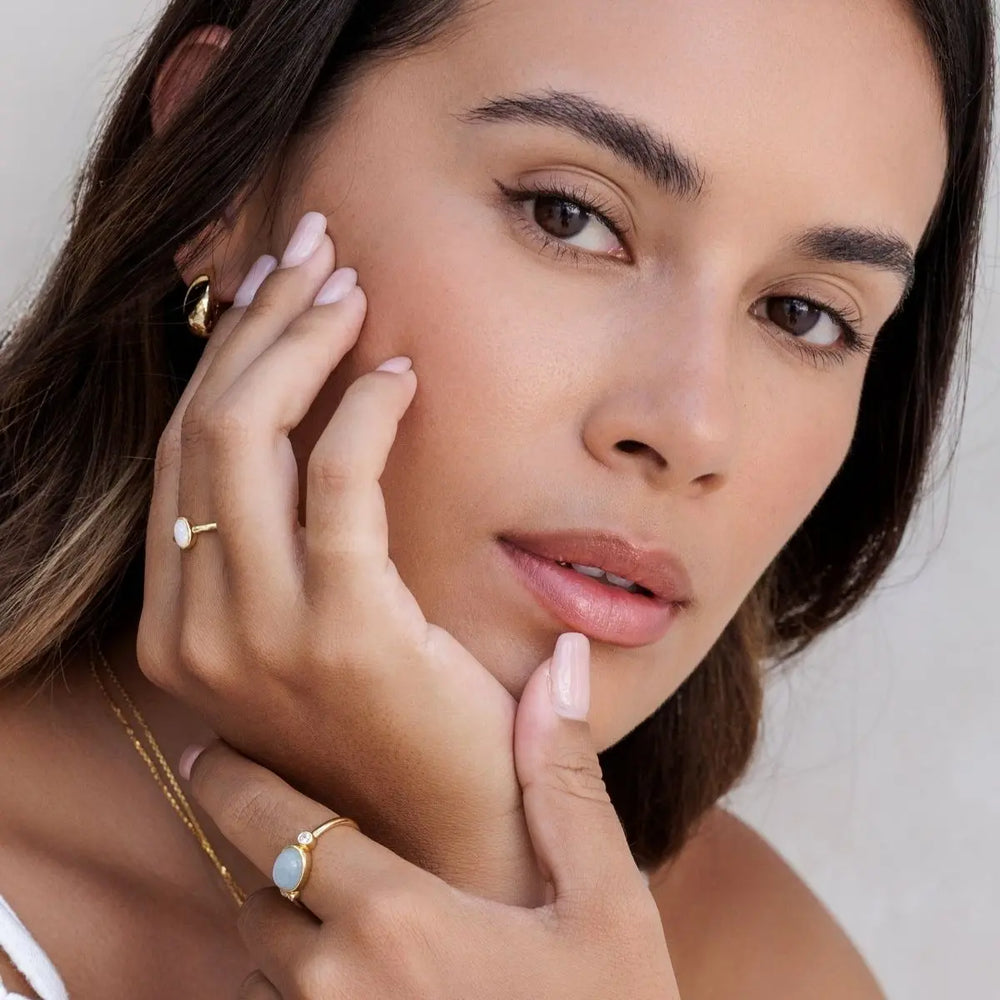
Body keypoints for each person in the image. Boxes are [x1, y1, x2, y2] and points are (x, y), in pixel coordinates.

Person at [0, 0, 993, 996]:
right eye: (570, 216)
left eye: (805, 314)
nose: (694, 430)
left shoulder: (757, 955)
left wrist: (481, 865)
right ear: (228, 178)